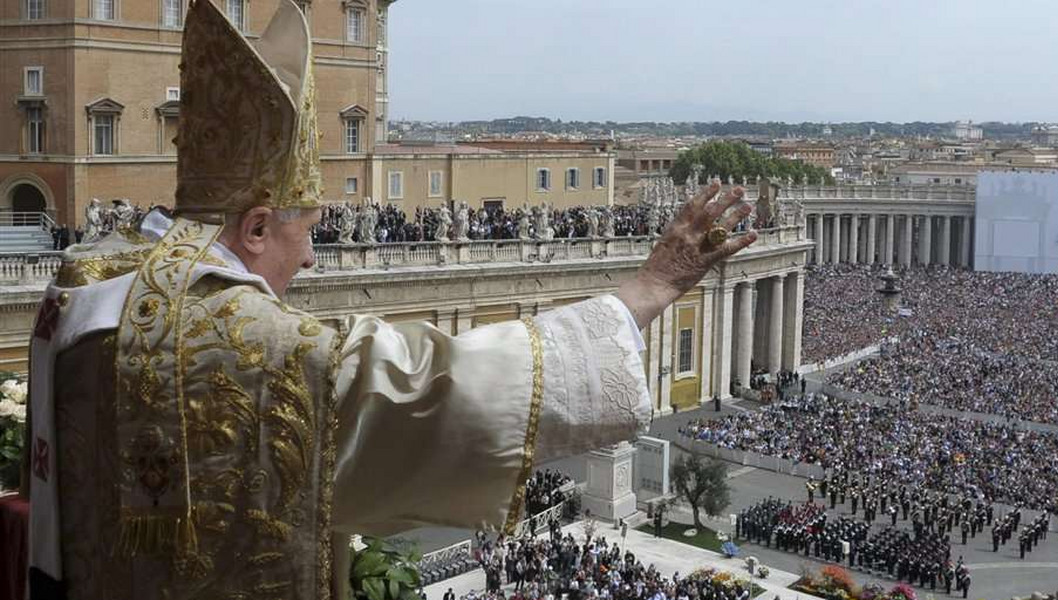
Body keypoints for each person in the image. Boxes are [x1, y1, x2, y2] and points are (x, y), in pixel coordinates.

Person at [24, 1, 758, 598]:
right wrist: (648, 287)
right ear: (253, 227)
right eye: (304, 232)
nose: (313, 256)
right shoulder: (256, 345)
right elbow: (439, 392)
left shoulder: (90, 288)